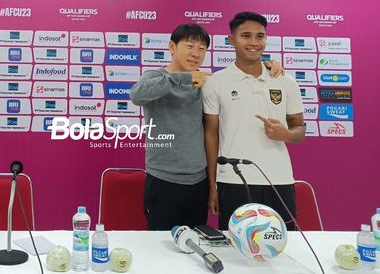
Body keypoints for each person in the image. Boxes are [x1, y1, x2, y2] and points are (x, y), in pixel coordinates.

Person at [129, 23, 282, 230]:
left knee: (197, 244)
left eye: (202, 49)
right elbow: (137, 95)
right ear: (172, 47)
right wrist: (185, 78)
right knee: (161, 245)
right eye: (190, 46)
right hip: (163, 179)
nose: (196, 54)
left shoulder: (207, 82)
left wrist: (267, 66)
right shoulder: (156, 77)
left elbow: (239, 85)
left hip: (198, 181)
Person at [202, 12, 305, 231]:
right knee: (235, 249)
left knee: (282, 247)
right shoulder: (216, 82)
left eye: (260, 36)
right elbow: (210, 135)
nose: (254, 42)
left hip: (278, 179)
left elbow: (299, 129)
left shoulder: (286, 81)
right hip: (233, 180)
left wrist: (285, 134)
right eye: (245, 35)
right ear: (232, 40)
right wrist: (212, 185)